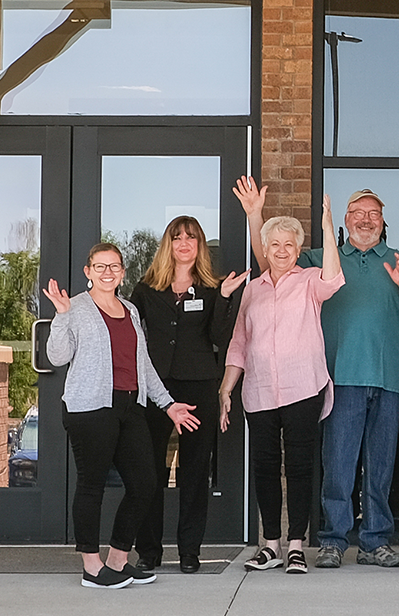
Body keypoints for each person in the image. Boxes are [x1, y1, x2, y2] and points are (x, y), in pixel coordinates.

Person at [234, 176, 399, 570]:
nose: (366, 219)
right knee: (338, 465)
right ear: (345, 219)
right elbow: (270, 262)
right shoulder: (318, 260)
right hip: (338, 375)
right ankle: (332, 540)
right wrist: (255, 216)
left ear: (382, 221)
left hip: (389, 377)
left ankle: (376, 542)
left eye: (373, 214)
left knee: (381, 466)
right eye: (358, 213)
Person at [44, 243, 200, 589]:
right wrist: (61, 315)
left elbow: (142, 364)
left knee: (146, 482)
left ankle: (117, 559)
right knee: (91, 485)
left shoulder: (129, 309)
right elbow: (57, 356)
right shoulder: (77, 308)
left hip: (129, 407)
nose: (107, 273)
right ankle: (91, 567)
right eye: (100, 267)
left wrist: (168, 403)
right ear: (88, 271)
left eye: (114, 266)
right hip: (90, 409)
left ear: (122, 272)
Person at [218, 195, 344, 575]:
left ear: (299, 249)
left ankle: (295, 547)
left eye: (290, 244)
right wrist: (226, 388)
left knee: (301, 467)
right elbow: (239, 341)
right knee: (266, 467)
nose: (282, 250)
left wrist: (327, 227)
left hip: (303, 387)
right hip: (257, 391)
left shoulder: (309, 281)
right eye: (275, 244)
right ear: (266, 248)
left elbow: (335, 279)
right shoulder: (252, 289)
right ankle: (270, 544)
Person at [132, 217, 247, 574]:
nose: (184, 242)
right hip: (155, 388)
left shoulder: (212, 289)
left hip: (198, 384)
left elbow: (219, 335)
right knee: (150, 471)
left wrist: (226, 297)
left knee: (194, 474)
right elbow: (133, 335)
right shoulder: (146, 288)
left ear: (199, 246)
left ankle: (189, 552)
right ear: (168, 243)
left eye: (191, 237)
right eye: (177, 236)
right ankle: (149, 551)